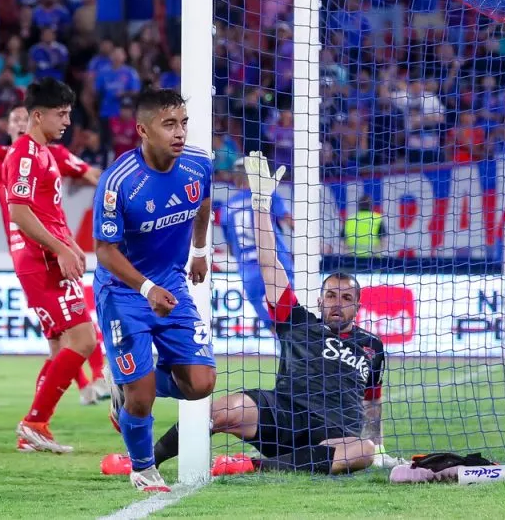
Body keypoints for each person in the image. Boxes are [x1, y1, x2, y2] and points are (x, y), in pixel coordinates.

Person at [150, 153, 384, 477]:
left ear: (357, 307)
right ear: (319, 300)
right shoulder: (298, 320)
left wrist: (377, 440)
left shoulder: (372, 345)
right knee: (222, 409)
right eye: (330, 295)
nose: (337, 303)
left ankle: (255, 467)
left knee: (365, 451)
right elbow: (270, 264)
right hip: (283, 415)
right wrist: (261, 205)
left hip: (331, 436)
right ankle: (148, 460)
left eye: (346, 298)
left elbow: (372, 400)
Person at [0, 105, 110, 419]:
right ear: (8, 126)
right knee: (72, 331)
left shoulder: (53, 153)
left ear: (35, 119)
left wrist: (115, 193)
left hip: (53, 250)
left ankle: (78, 393)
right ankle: (86, 387)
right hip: (34, 254)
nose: (18, 122)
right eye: (13, 118)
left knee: (62, 339)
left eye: (23, 117)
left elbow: (88, 172)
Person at [92, 88, 217, 492]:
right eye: (169, 125)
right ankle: (143, 467)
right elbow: (104, 251)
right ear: (143, 130)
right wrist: (145, 288)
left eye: (182, 123)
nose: (179, 132)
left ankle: (128, 384)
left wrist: (199, 251)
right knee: (142, 399)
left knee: (200, 384)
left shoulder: (198, 164)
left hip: (172, 282)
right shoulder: (118, 182)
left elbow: (202, 204)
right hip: (123, 292)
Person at [0, 79, 98, 453]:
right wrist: (61, 249)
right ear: (38, 115)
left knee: (59, 351)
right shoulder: (23, 154)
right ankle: (35, 421)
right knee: (83, 340)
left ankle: (32, 433)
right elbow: (20, 213)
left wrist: (70, 244)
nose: (67, 121)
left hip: (50, 255)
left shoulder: (43, 154)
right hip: (39, 260)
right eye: (62, 114)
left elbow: (48, 211)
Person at [219, 157, 295, 329]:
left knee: (274, 325)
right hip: (277, 264)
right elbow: (289, 221)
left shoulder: (227, 208)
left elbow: (231, 247)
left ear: (235, 178)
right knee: (293, 316)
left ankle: (283, 349)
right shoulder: (266, 195)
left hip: (249, 271)